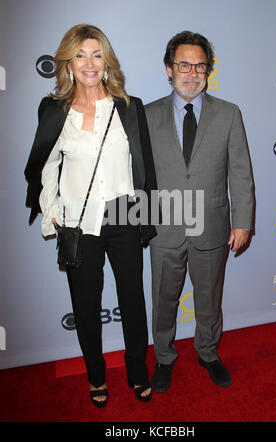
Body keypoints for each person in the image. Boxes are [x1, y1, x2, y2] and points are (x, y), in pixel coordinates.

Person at [24, 24, 158, 407]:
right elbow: (47, 166)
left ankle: (137, 372)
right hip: (78, 222)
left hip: (124, 215)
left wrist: (145, 217)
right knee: (86, 307)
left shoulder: (129, 107)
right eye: (80, 55)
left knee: (132, 300)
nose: (89, 63)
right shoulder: (54, 109)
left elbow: (143, 166)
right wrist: (52, 215)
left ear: (107, 61)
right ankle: (96, 377)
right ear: (67, 62)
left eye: (96, 54)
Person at [145, 31, 254, 392]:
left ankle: (208, 352)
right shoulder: (146, 116)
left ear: (208, 69)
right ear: (169, 68)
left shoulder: (229, 113)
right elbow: (137, 174)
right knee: (164, 299)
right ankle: (163, 358)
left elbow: (240, 171)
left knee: (209, 297)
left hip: (212, 225)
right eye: (184, 65)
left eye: (200, 65)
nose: (192, 73)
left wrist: (243, 222)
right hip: (164, 228)